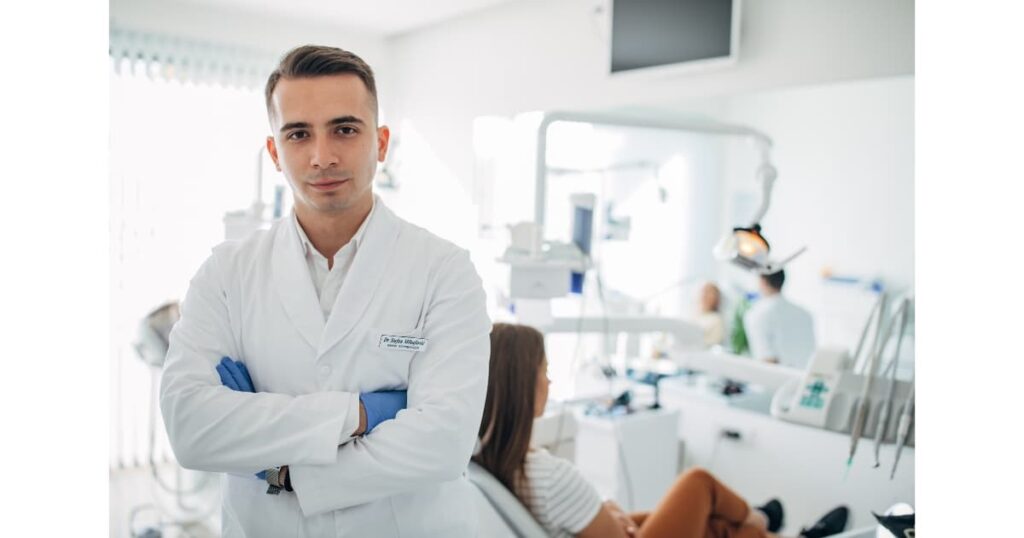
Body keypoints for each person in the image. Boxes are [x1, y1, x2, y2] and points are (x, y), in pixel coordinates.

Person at [159, 45, 492, 537]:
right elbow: (190, 428)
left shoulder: (444, 271)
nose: (322, 156)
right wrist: (361, 412)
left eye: (345, 129)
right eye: (298, 134)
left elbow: (443, 442)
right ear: (275, 152)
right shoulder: (226, 273)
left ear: (380, 142)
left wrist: (285, 470)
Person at [476, 323, 849, 538]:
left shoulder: (484, 456)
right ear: (522, 384)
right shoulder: (548, 474)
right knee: (699, 482)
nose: (550, 381)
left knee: (719, 528)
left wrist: (605, 512)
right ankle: (763, 519)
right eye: (544, 370)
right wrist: (617, 523)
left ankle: (770, 528)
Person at [742, 270, 816, 370]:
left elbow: (767, 361)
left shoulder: (757, 314)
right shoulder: (805, 313)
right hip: (804, 379)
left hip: (775, 382)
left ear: (762, 282)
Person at [695, 282, 726, 347]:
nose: (704, 295)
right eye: (704, 292)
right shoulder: (697, 316)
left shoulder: (717, 319)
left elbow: (713, 343)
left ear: (716, 299)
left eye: (708, 293)